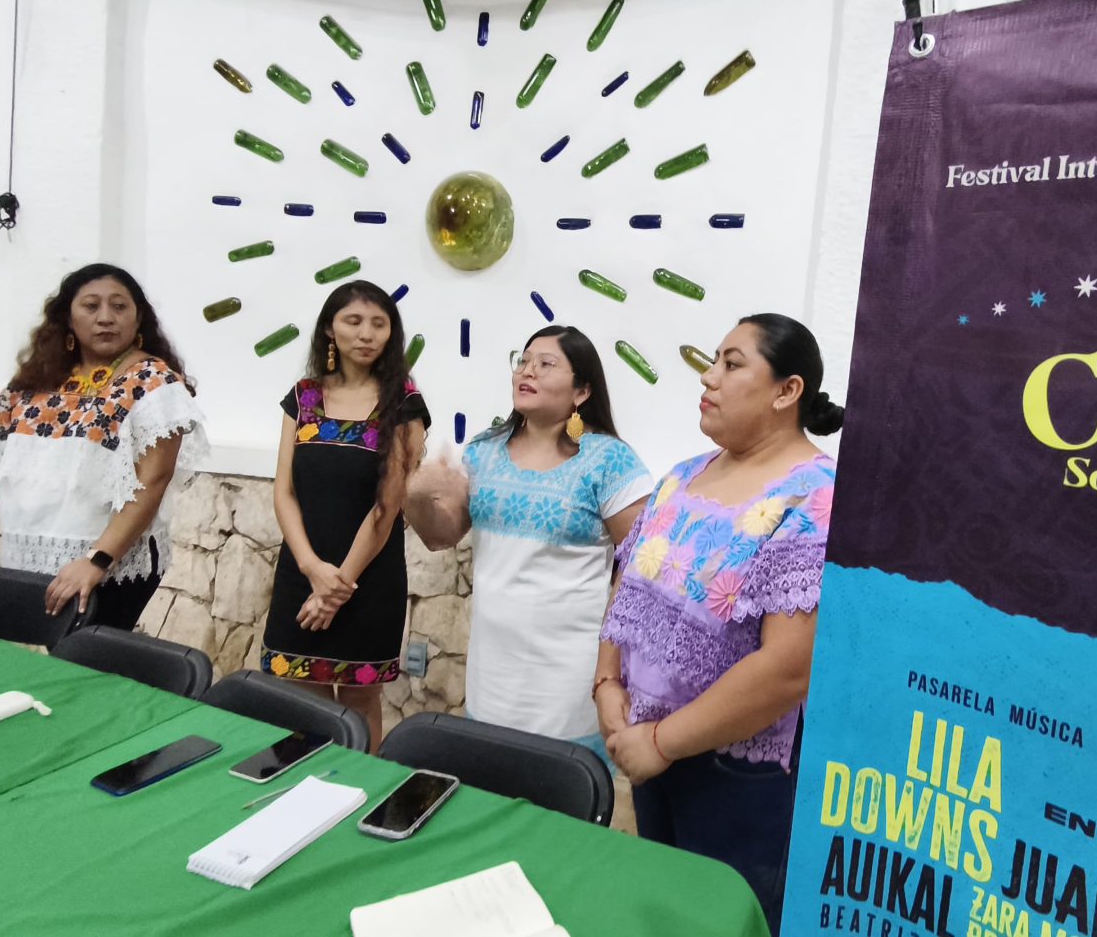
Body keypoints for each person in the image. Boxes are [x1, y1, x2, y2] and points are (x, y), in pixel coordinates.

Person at [595, 313, 842, 935]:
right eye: (714, 361)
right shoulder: (683, 475)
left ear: (787, 391)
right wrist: (606, 684)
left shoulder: (815, 497)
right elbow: (628, 582)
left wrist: (660, 743)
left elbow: (787, 669)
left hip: (735, 773)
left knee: (722, 921)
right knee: (662, 913)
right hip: (648, 748)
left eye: (733, 364)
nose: (709, 376)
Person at [404, 326, 649, 762]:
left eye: (546, 363)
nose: (527, 371)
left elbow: (640, 564)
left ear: (582, 391)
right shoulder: (484, 451)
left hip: (569, 676)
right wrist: (416, 494)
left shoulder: (610, 460)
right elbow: (440, 536)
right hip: (492, 673)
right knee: (490, 782)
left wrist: (610, 667)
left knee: (559, 787)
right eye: (524, 360)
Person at [0, 263, 206, 630]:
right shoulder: (30, 383)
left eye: (119, 306)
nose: (105, 317)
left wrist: (97, 561)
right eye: (91, 306)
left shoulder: (152, 382)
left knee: (81, 659)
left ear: (138, 318)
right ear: (67, 318)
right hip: (29, 557)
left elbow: (153, 481)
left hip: (108, 565)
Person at [266, 280, 428, 752]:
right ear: (329, 330)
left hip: (368, 578)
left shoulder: (404, 401)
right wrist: (312, 569)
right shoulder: (304, 397)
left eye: (379, 324)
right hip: (303, 570)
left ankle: (359, 784)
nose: (366, 334)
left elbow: (386, 507)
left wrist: (337, 589)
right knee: (304, 693)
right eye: (353, 321)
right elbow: (284, 492)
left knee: (359, 698)